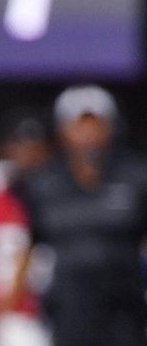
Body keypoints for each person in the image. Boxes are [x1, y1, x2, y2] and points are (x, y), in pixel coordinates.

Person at [14, 84, 147, 346]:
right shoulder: (43, 184)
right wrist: (3, 310)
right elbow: (27, 250)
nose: (88, 134)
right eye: (79, 125)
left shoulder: (136, 177)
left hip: (125, 310)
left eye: (96, 124)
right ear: (62, 131)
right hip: (67, 310)